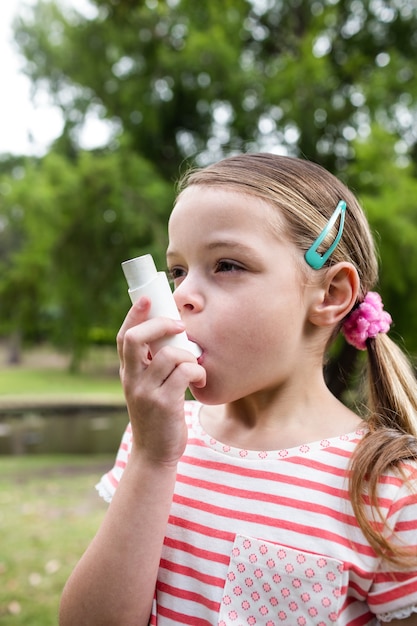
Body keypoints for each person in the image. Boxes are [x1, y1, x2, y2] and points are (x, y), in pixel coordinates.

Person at [59, 153, 417, 626]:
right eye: (178, 271)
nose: (183, 295)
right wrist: (151, 457)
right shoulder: (156, 440)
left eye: (227, 265)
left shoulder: (388, 488)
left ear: (330, 295)